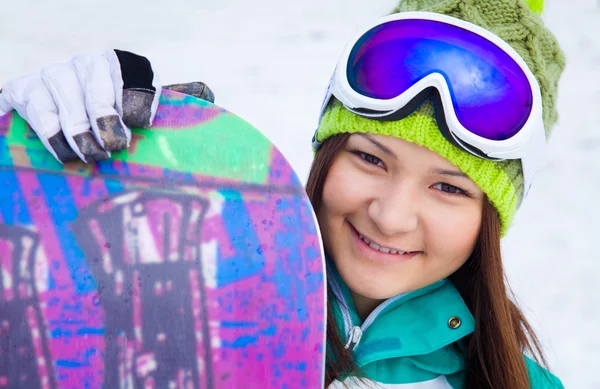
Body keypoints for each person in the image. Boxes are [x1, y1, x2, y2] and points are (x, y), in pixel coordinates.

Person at [0, 0, 566, 387]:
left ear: (490, 218)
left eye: (448, 187)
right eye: (370, 158)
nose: (391, 217)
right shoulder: (177, 297)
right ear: (327, 156)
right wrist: (50, 179)